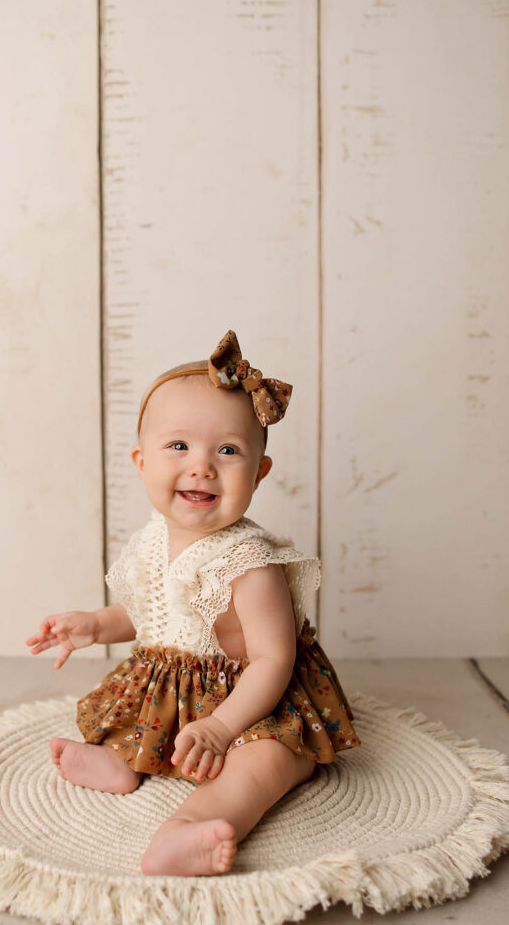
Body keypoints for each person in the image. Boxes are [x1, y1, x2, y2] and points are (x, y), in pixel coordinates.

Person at [26, 330, 360, 877]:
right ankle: (121, 763)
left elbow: (274, 661)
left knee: (269, 763)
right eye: (178, 446)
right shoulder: (152, 541)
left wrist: (223, 728)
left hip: (256, 701)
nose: (202, 466)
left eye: (227, 451)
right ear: (140, 461)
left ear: (259, 472)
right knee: (125, 712)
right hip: (177, 689)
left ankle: (189, 829)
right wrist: (94, 625)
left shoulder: (251, 563)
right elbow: (151, 614)